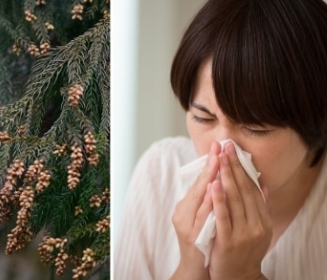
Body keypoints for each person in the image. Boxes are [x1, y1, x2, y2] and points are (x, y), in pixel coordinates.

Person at [114, 0, 327, 279]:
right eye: (203, 118)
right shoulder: (161, 174)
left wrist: (243, 274)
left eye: (255, 128)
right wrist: (191, 266)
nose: (223, 150)